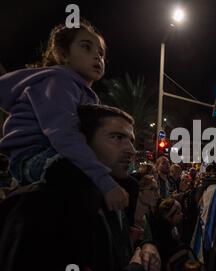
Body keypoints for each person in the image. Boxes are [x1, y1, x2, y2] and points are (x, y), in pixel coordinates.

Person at [0, 104, 160, 271]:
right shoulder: (43, 205)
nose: (131, 150)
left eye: (131, 140)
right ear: (81, 143)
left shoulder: (112, 195)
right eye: (117, 137)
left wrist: (144, 248)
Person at [0, 21, 129, 213]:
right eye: (86, 47)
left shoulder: (87, 95)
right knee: (79, 177)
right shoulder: (59, 81)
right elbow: (64, 133)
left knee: (128, 183)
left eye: (101, 53)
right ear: (64, 55)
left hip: (57, 152)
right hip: (31, 155)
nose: (97, 55)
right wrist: (104, 181)